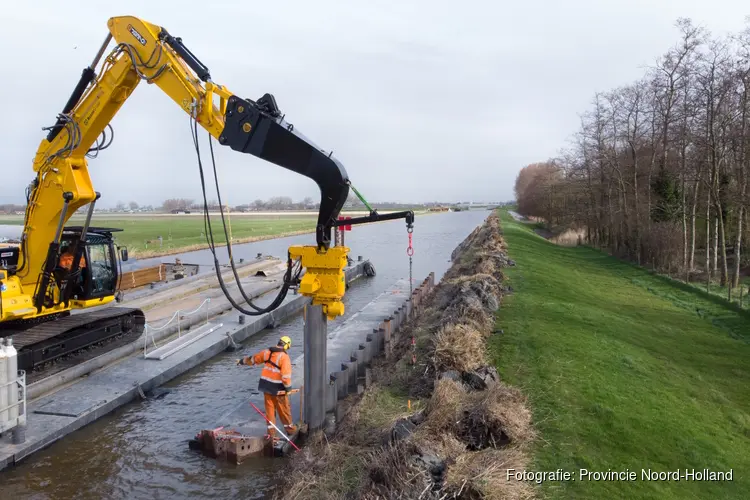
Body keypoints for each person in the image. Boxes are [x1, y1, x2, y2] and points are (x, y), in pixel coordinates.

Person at [237, 335, 297, 439]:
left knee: (270, 411)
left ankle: (271, 434)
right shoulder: (284, 357)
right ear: (287, 346)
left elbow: (253, 359)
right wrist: (288, 389)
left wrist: (241, 361)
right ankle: (290, 430)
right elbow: (286, 376)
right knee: (284, 410)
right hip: (278, 389)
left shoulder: (267, 352)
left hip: (266, 387)